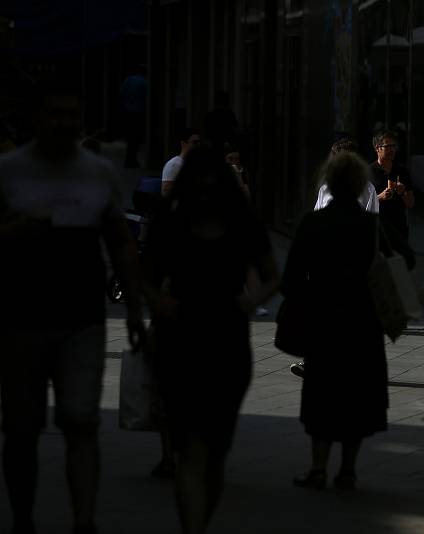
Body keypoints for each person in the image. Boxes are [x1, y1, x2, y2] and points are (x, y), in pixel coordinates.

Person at [0, 85, 145, 534]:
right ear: (38, 119)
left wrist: (136, 306)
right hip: (21, 318)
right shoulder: (10, 171)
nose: (64, 122)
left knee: (81, 420)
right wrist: (19, 228)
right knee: (21, 428)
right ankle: (23, 518)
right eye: (55, 113)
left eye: (72, 114)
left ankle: (84, 521)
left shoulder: (98, 173)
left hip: (82, 318)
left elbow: (119, 239)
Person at [142, 146, 279, 533]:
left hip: (226, 343)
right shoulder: (171, 225)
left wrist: (253, 299)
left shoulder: (242, 226)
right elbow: (145, 278)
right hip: (180, 342)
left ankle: (199, 520)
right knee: (190, 449)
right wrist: (160, 301)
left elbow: (272, 275)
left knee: (215, 453)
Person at [283, 151, 389, 490]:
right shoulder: (370, 226)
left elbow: (291, 278)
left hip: (324, 319)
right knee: (356, 396)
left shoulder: (312, 223)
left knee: (322, 395)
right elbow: (397, 265)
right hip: (362, 320)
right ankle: (348, 469)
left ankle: (317, 467)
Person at [314, 137, 378, 213]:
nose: (344, 169)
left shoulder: (369, 189)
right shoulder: (324, 189)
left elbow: (373, 216)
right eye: (340, 164)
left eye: (348, 163)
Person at [371, 130, 414, 240]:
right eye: (388, 146)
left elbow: (411, 204)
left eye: (394, 146)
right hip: (377, 228)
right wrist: (380, 197)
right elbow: (362, 203)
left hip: (399, 227)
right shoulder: (368, 172)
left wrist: (403, 192)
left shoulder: (401, 171)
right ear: (377, 148)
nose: (392, 150)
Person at [119, 64, 147, 168]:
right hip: (139, 113)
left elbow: (121, 94)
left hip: (127, 112)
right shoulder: (144, 82)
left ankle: (129, 159)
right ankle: (132, 159)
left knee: (130, 137)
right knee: (136, 138)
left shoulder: (128, 80)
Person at [161, 127, 201, 197]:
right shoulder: (174, 164)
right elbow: (165, 191)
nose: (198, 145)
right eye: (195, 142)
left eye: (199, 142)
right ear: (183, 143)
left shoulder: (196, 162)